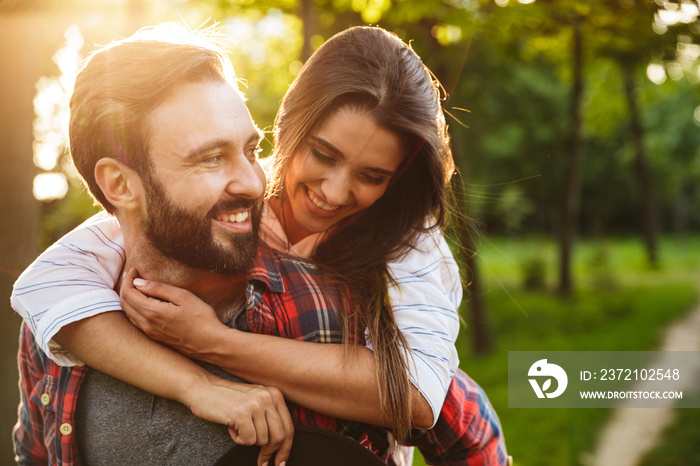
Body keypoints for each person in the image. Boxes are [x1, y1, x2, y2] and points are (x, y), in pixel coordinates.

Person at [12, 24, 509, 465]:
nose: (334, 193)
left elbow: (430, 396)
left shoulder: (393, 259)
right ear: (291, 126)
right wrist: (195, 385)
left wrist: (212, 342)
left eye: (372, 175)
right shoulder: (89, 299)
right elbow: (43, 288)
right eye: (322, 154)